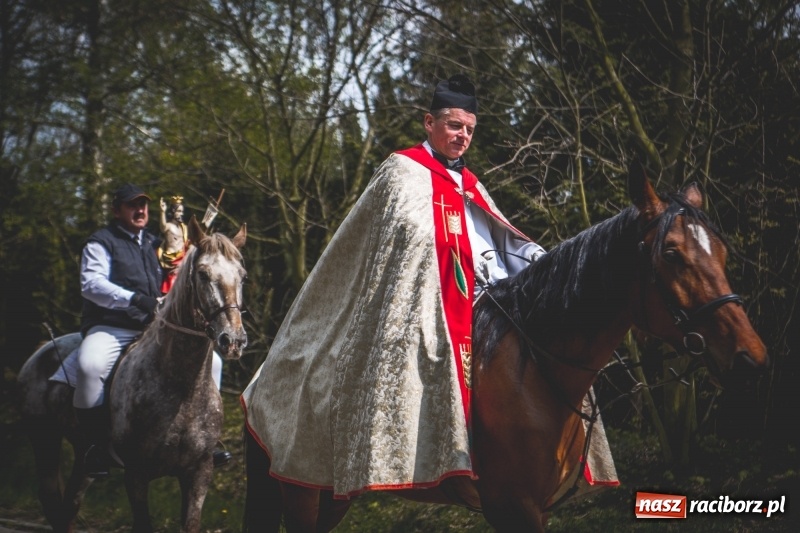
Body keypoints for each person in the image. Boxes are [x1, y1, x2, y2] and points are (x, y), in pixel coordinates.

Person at [241, 75, 615, 497]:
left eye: (470, 129)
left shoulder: (470, 182)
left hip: (487, 297)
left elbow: (500, 239)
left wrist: (543, 268)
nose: (463, 136)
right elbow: (394, 242)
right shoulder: (402, 171)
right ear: (429, 122)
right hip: (423, 303)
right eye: (455, 126)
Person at [74, 184, 229, 478]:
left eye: (143, 204)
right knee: (89, 367)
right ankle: (93, 448)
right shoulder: (101, 241)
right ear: (116, 210)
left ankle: (207, 442)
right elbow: (91, 285)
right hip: (111, 326)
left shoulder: (156, 242)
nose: (140, 210)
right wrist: (134, 299)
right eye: (133, 205)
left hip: (154, 329)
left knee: (216, 363)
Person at [158, 195, 188, 294]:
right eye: (179, 211)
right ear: (173, 212)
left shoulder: (184, 228)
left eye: (182, 211)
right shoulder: (169, 226)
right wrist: (162, 211)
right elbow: (163, 227)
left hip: (182, 258)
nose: (181, 214)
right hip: (171, 259)